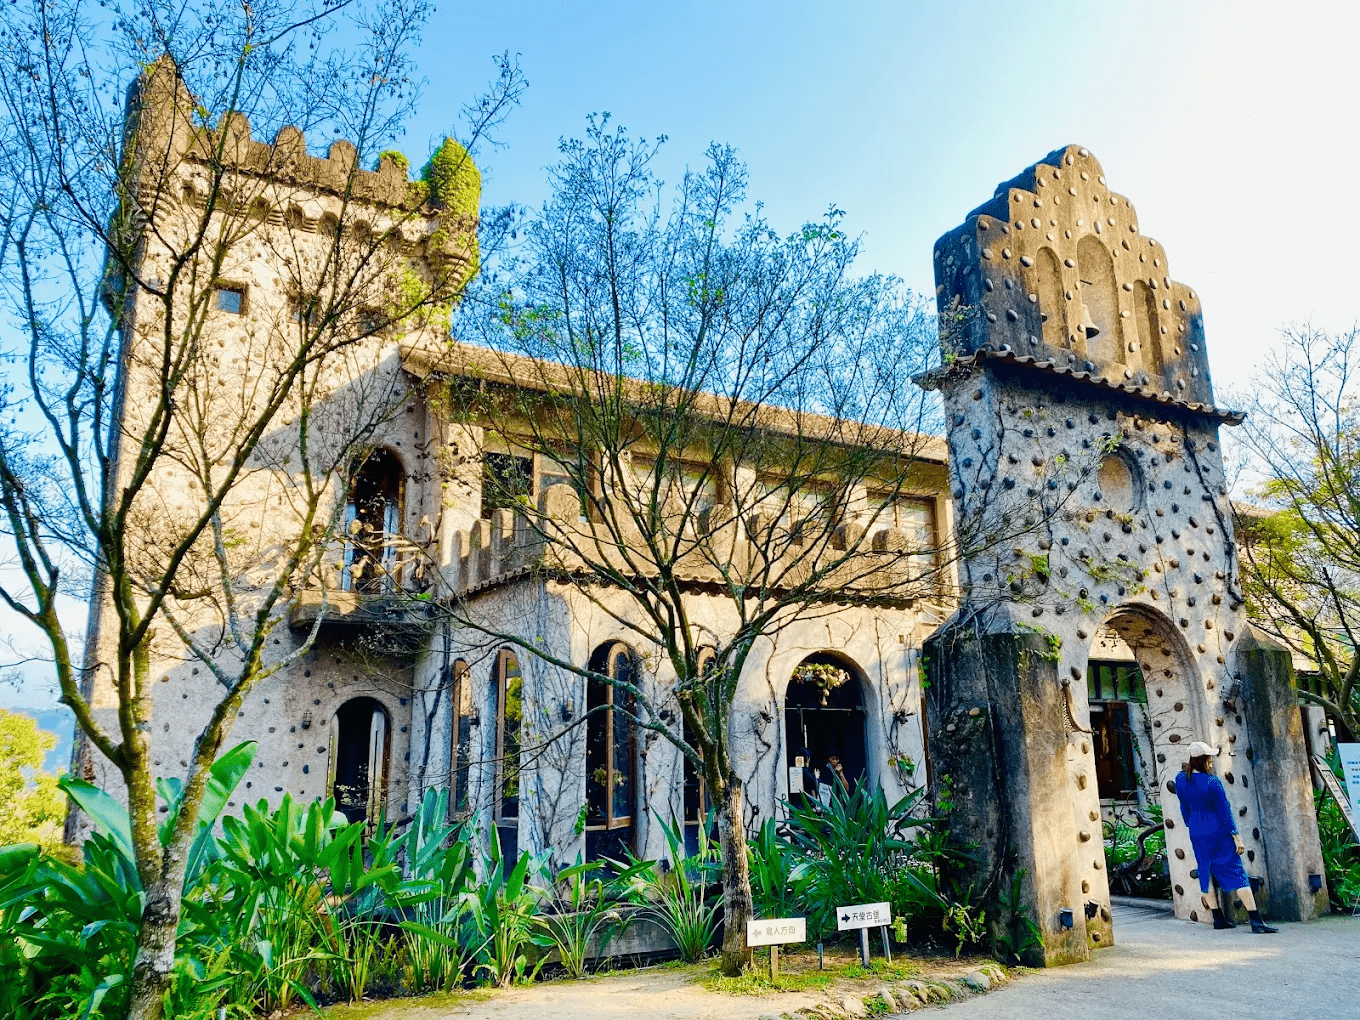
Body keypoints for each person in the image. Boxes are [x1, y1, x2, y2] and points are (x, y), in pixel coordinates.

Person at [1173, 740, 1278, 934]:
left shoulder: (1180, 779)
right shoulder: (1212, 782)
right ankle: (1256, 921)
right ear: (1205, 760)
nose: (1212, 760)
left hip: (1196, 830)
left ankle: (1218, 918)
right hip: (1217, 830)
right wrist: (1236, 837)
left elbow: (1183, 807)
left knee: (1205, 872)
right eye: (1210, 757)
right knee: (1237, 873)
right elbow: (1225, 811)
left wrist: (1192, 823)